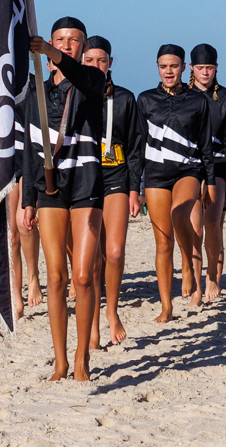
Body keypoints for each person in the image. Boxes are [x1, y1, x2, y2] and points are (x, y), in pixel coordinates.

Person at [21, 17, 107, 381]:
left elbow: (81, 76)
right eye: (60, 40)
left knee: (83, 276)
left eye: (74, 40)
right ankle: (60, 361)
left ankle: (82, 355)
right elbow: (29, 150)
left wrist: (52, 53)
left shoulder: (92, 81)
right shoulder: (36, 94)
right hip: (50, 189)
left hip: (86, 184)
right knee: (55, 277)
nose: (67, 44)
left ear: (83, 47)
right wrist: (28, 199)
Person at [137, 44, 216, 320]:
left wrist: (210, 180)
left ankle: (187, 263)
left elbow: (206, 144)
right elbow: (138, 145)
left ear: (183, 67)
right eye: (163, 66)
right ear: (158, 68)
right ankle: (166, 307)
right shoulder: (145, 99)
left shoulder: (198, 100)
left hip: (188, 170)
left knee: (179, 213)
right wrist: (136, 187)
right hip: (156, 174)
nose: (168, 71)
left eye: (173, 66)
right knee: (162, 243)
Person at [82, 35, 143, 346]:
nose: (96, 65)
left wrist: (135, 189)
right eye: (89, 60)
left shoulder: (125, 98)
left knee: (114, 251)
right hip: (84, 179)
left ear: (110, 63)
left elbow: (135, 147)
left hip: (116, 175)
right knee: (92, 259)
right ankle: (92, 320)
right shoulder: (74, 94)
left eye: (101, 60)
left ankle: (112, 311)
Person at [188, 43, 226, 302]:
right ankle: (196, 284)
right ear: (191, 68)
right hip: (191, 166)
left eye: (209, 67)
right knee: (194, 228)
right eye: (200, 68)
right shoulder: (183, 95)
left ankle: (213, 277)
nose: (205, 72)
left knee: (212, 223)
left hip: (218, 166)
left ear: (216, 68)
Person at [7, 72, 43, 322]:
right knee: (11, 234)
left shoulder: (35, 85)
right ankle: (16, 295)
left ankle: (33, 276)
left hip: (31, 160)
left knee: (25, 225)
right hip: (6, 163)